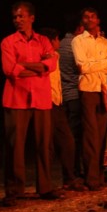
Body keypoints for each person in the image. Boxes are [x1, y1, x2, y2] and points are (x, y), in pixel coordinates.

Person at [0, 1, 64, 206]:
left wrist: (25, 66)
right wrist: (39, 68)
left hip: (41, 98)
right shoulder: (8, 42)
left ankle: (45, 187)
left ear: (31, 18)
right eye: (15, 17)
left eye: (21, 16)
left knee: (44, 144)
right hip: (16, 98)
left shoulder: (43, 41)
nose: (17, 20)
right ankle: (14, 189)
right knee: (14, 146)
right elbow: (10, 70)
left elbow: (51, 65)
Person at [71, 8, 107, 191]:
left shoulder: (105, 42)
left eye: (92, 16)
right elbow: (82, 66)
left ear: (98, 19)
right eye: (85, 17)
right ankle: (91, 178)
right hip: (88, 90)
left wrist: (99, 66)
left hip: (103, 89)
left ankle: (98, 174)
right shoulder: (78, 41)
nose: (89, 19)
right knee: (90, 135)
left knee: (102, 133)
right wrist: (105, 64)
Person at [38, 27, 84, 192]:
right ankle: (46, 184)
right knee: (47, 145)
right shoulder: (43, 58)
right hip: (46, 104)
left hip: (57, 103)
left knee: (67, 142)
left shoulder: (56, 57)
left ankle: (69, 178)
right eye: (57, 40)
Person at [59, 14, 85, 181]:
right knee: (76, 136)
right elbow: (81, 68)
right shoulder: (75, 44)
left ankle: (71, 171)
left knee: (68, 134)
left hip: (64, 94)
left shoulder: (61, 43)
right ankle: (74, 171)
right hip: (75, 93)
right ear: (79, 28)